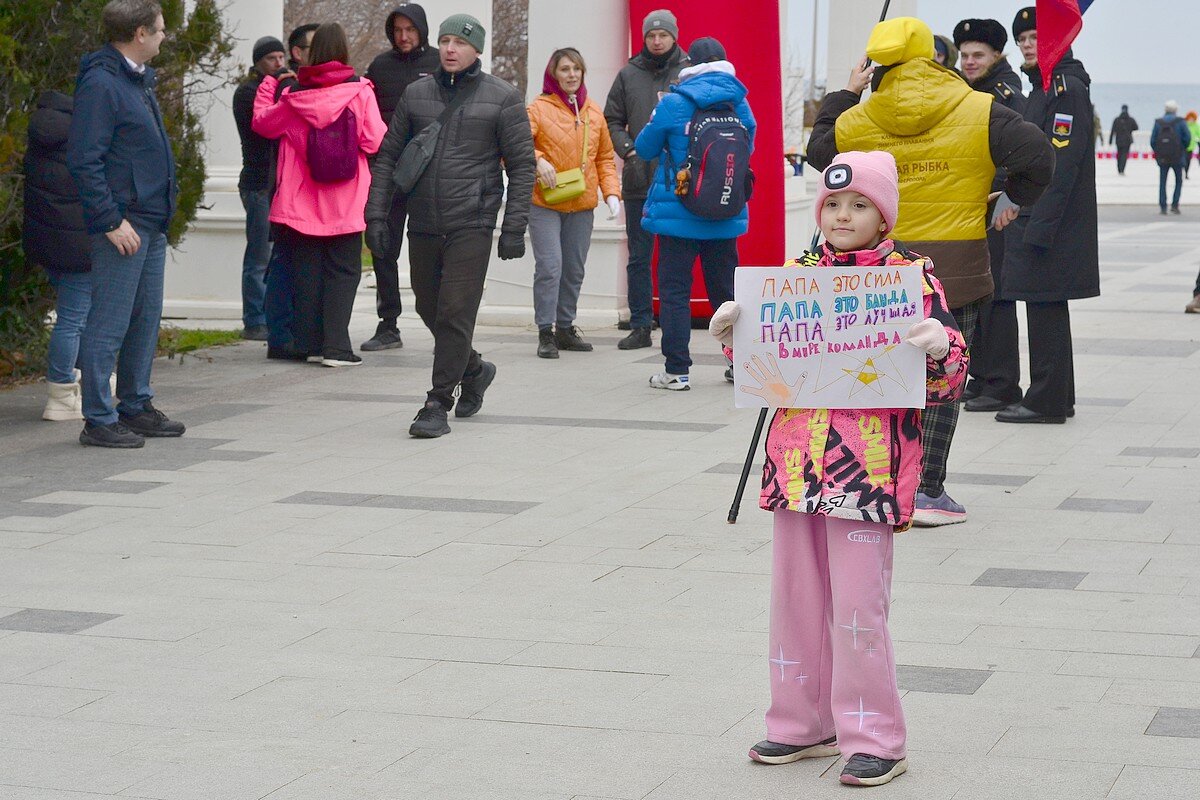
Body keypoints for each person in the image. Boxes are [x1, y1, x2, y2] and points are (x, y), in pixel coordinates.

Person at [707, 151, 967, 787]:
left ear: (884, 215)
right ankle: (801, 722)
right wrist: (734, 339)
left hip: (866, 475)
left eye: (858, 205)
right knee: (794, 599)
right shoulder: (794, 276)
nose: (842, 215)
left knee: (858, 607)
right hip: (795, 467)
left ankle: (876, 735)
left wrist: (941, 347)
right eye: (832, 203)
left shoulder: (910, 278)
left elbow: (949, 379)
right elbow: (760, 374)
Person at [806, 16, 1053, 525]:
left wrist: (847, 93)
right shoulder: (981, 108)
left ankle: (874, 481)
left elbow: (819, 155)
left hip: (877, 269)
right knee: (944, 377)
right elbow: (1040, 159)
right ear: (933, 56)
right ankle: (926, 491)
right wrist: (1010, 198)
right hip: (958, 266)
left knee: (876, 378)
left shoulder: (857, 118)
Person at [364, 13, 536, 438]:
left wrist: (513, 227)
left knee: (455, 311)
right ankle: (474, 369)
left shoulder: (503, 97)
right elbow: (387, 157)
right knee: (428, 306)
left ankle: (438, 401)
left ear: (477, 49)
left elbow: (522, 166)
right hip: (422, 221)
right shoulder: (416, 93)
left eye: (459, 42)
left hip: (471, 222)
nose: (450, 49)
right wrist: (375, 216)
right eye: (444, 41)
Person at [68, 0, 184, 448]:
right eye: (159, 29)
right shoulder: (102, 83)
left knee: (143, 321)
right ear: (139, 33)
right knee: (109, 323)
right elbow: (83, 159)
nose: (163, 35)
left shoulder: (136, 80)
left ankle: (135, 406)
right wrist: (110, 220)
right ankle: (98, 418)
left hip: (150, 223)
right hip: (123, 226)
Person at [252, 22, 387, 367]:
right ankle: (337, 348)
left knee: (306, 272)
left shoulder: (293, 94)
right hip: (345, 199)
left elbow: (263, 124)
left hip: (301, 201)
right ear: (343, 51)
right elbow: (374, 140)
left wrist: (270, 83)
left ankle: (310, 344)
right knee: (343, 271)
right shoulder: (360, 91)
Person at [996, 7, 1099, 425]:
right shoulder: (1043, 86)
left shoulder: (1065, 87)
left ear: (1059, 38)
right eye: (1022, 39)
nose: (1026, 44)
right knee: (1044, 308)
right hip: (1039, 220)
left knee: (1045, 309)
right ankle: (1058, 396)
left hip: (1049, 224)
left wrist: (1035, 223)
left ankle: (1046, 400)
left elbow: (1061, 165)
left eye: (1036, 37)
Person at [633, 37, 754, 391]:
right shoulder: (740, 104)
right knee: (728, 297)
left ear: (690, 63)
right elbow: (749, 150)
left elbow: (644, 147)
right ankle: (741, 367)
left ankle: (676, 371)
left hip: (678, 216)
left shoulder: (673, 102)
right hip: (725, 212)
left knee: (674, 293)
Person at [952, 18, 1029, 414]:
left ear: (996, 55)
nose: (968, 61)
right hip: (970, 208)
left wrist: (1002, 198)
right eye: (964, 55)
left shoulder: (1003, 94)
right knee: (977, 295)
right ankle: (981, 376)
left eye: (977, 55)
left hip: (994, 209)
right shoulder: (970, 90)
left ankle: (1002, 383)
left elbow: (1015, 154)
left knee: (996, 299)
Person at [527, 47, 621, 359]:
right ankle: (545, 330)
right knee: (550, 266)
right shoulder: (538, 109)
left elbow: (605, 158)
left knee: (574, 269)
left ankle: (565, 328)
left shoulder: (593, 113)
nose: (571, 75)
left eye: (576, 69)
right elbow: (516, 146)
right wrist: (538, 160)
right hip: (545, 201)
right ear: (553, 74)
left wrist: (611, 194)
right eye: (564, 69)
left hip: (581, 203)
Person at [604, 9, 689, 351]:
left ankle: (673, 324)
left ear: (674, 36)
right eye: (651, 35)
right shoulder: (628, 74)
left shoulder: (687, 72)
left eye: (662, 35)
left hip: (679, 181)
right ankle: (640, 323)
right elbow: (612, 118)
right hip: (639, 178)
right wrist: (629, 151)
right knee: (639, 256)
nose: (656, 40)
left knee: (676, 256)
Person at [360, 3, 440, 353]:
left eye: (410, 29)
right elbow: (364, 112)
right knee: (383, 246)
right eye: (397, 30)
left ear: (422, 30)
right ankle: (388, 323)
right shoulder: (380, 66)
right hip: (389, 169)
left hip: (430, 172)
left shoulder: (440, 63)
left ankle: (442, 324)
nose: (403, 36)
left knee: (431, 248)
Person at [24, 91, 92, 421]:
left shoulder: (40, 133)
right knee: (75, 320)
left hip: (48, 243)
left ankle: (70, 387)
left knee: (70, 318)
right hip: (79, 244)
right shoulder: (79, 134)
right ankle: (62, 393)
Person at [261, 22, 319, 360]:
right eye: (315, 48)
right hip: (286, 191)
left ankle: (296, 332)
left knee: (297, 263)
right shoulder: (287, 88)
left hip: (305, 192)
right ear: (298, 53)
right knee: (284, 263)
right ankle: (282, 336)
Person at [232, 36, 286, 343]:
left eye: (281, 58)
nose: (278, 64)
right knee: (258, 254)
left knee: (274, 254)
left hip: (276, 184)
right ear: (257, 63)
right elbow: (265, 125)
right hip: (257, 184)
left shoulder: (278, 90)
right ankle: (253, 319)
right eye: (271, 59)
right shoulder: (248, 93)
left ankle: (270, 315)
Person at [1151, 100, 1191, 214]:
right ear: (1176, 110)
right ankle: (1175, 205)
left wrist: (1159, 152)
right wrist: (1181, 149)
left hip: (1163, 157)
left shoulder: (1158, 122)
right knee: (1178, 181)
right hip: (1177, 157)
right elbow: (1187, 138)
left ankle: (1163, 207)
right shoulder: (1180, 122)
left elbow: (1153, 141)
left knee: (1163, 181)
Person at [1109, 104, 1138, 175]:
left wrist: (1110, 140)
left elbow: (1113, 131)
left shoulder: (1116, 120)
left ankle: (1119, 168)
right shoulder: (1131, 120)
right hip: (1127, 140)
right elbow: (1136, 127)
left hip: (1118, 140)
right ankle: (1122, 169)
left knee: (1119, 154)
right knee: (1124, 155)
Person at [1186, 111, 1200, 178]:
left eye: (1192, 118)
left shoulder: (1196, 125)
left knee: (1188, 160)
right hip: (1183, 145)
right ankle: (1183, 171)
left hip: (1191, 146)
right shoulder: (1184, 124)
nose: (1191, 119)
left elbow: (1199, 133)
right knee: (1183, 160)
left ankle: (1186, 173)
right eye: (1190, 118)